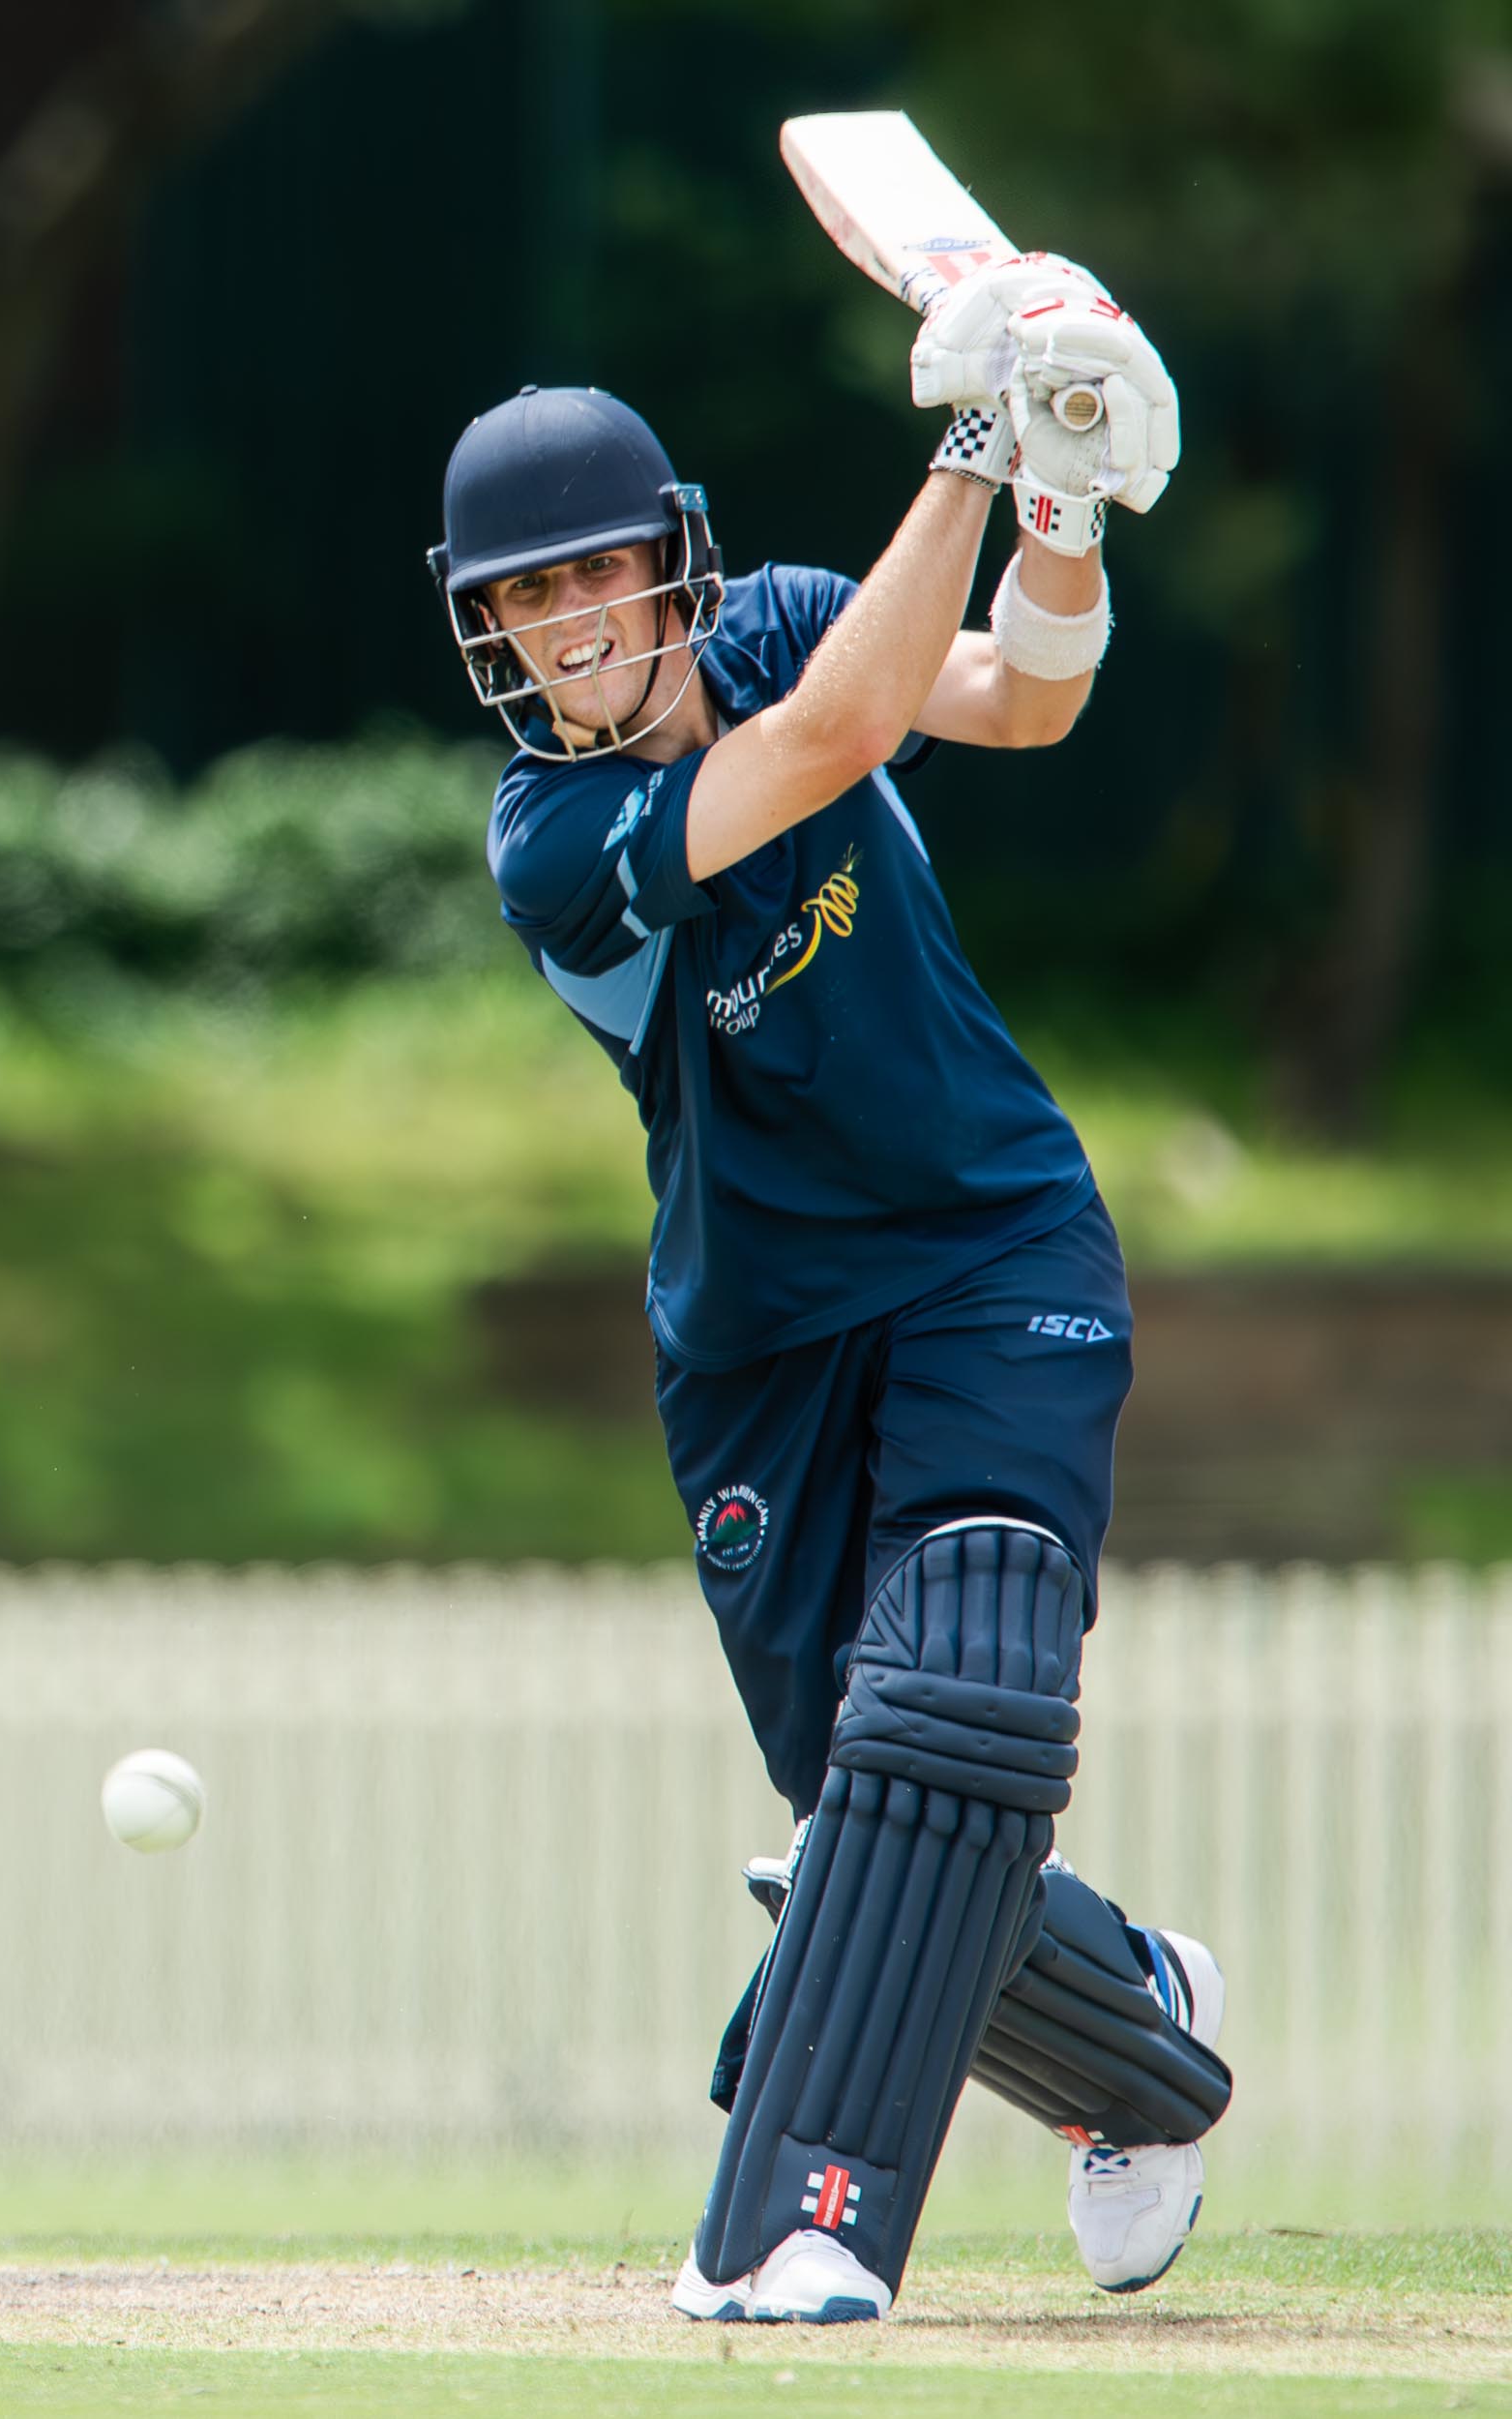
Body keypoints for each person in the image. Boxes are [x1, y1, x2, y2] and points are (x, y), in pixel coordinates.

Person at [427, 248, 1231, 2326]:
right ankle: (1143, 2028)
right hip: (758, 1352)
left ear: (666, 564)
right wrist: (971, 437)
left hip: (989, 1244)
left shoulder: (779, 614)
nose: (570, 625)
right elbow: (842, 730)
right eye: (524, 599)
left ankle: (805, 2222)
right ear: (490, 632)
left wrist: (1056, 504)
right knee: (881, 1818)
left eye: (597, 574)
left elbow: (1022, 694)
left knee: (953, 1703)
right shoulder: (555, 838)